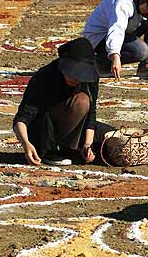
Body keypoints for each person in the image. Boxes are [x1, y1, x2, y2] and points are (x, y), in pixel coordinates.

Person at [13, 37, 99, 166]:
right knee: (81, 101)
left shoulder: (90, 79)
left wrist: (88, 144)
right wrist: (26, 144)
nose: (75, 78)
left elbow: (91, 113)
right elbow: (22, 117)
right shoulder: (44, 77)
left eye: (79, 75)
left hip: (71, 124)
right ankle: (50, 150)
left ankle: (70, 147)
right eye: (72, 73)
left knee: (108, 141)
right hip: (42, 129)